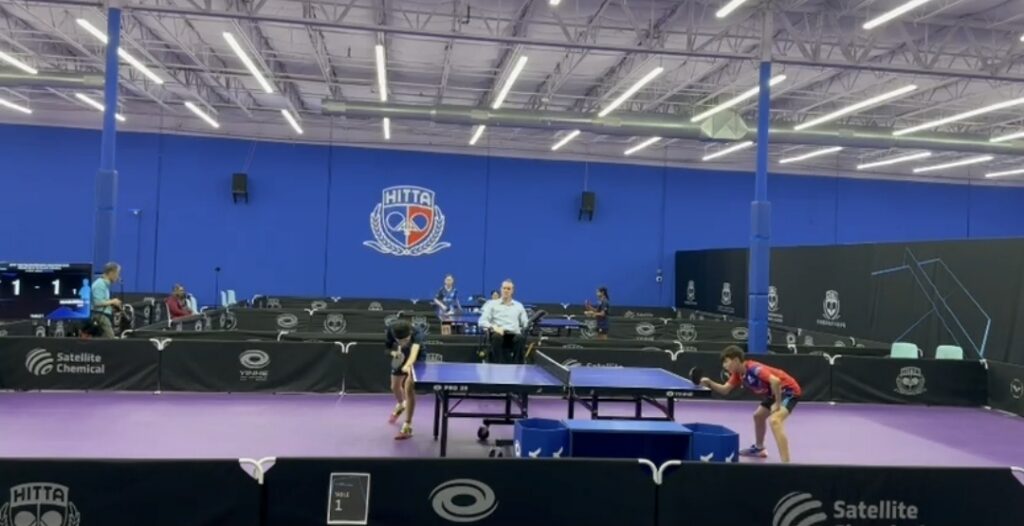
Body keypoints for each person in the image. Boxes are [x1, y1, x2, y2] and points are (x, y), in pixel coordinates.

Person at [699, 346, 802, 463]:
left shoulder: (754, 368)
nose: (724, 366)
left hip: (788, 390)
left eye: (726, 361)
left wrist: (777, 404)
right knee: (758, 416)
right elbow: (725, 390)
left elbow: (775, 381)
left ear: (736, 360)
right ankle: (759, 448)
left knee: (775, 420)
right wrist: (709, 382)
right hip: (773, 392)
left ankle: (786, 463)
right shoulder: (738, 374)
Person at [386, 319, 424, 440]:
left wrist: (407, 365)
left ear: (410, 334)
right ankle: (401, 404)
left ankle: (407, 425)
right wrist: (394, 354)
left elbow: (414, 354)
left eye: (406, 340)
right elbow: (387, 348)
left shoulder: (417, 333)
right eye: (400, 341)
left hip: (418, 357)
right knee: (394, 386)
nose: (403, 343)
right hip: (400, 355)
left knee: (409, 388)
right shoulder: (391, 330)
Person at [478, 279, 529, 363]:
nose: (506, 290)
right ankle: (498, 364)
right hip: (498, 333)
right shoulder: (492, 304)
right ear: (501, 289)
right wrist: (494, 327)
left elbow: (525, 323)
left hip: (513, 334)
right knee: (496, 337)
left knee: (520, 338)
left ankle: (517, 365)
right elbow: (482, 321)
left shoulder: (519, 306)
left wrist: (528, 325)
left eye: (508, 289)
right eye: (504, 288)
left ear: (512, 291)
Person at [90, 262, 122, 338]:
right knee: (110, 340)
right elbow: (97, 302)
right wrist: (113, 301)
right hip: (99, 316)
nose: (118, 277)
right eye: (117, 274)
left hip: (101, 316)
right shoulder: (100, 284)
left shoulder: (104, 284)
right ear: (111, 273)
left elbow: (102, 301)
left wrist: (111, 306)